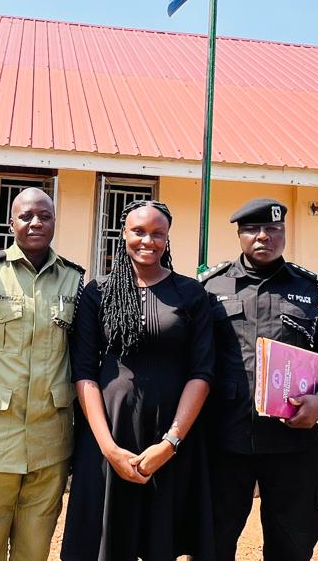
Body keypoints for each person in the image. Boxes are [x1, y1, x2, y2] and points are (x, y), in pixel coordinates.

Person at [61, 200, 214, 561]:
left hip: (171, 433)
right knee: (106, 542)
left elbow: (202, 373)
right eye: (139, 232)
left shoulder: (190, 294)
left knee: (162, 539)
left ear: (167, 238)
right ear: (123, 234)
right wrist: (108, 448)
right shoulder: (97, 292)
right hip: (109, 431)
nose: (148, 240)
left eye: (158, 233)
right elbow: (84, 373)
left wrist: (170, 443)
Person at [201, 198, 318, 561]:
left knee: (293, 545)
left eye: (273, 228)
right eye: (253, 229)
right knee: (212, 542)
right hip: (223, 442)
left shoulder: (310, 288)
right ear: (240, 234)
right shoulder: (210, 287)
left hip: (292, 444)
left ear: (284, 232)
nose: (263, 236)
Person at [0, 188, 85, 561]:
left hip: (50, 443)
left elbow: (81, 363)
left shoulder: (73, 280)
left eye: (45, 216)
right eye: (26, 216)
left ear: (54, 222)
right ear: (11, 223)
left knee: (35, 549)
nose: (36, 222)